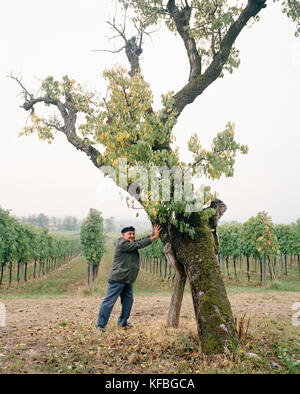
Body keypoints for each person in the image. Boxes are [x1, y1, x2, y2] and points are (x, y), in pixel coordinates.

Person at [96, 224, 162, 332]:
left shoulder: (129, 242)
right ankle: (100, 325)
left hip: (128, 279)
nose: (132, 236)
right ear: (123, 235)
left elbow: (138, 241)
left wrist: (151, 235)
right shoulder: (122, 243)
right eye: (129, 234)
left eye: (133, 234)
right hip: (118, 279)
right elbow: (138, 245)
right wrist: (154, 238)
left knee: (128, 301)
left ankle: (122, 322)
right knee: (109, 302)